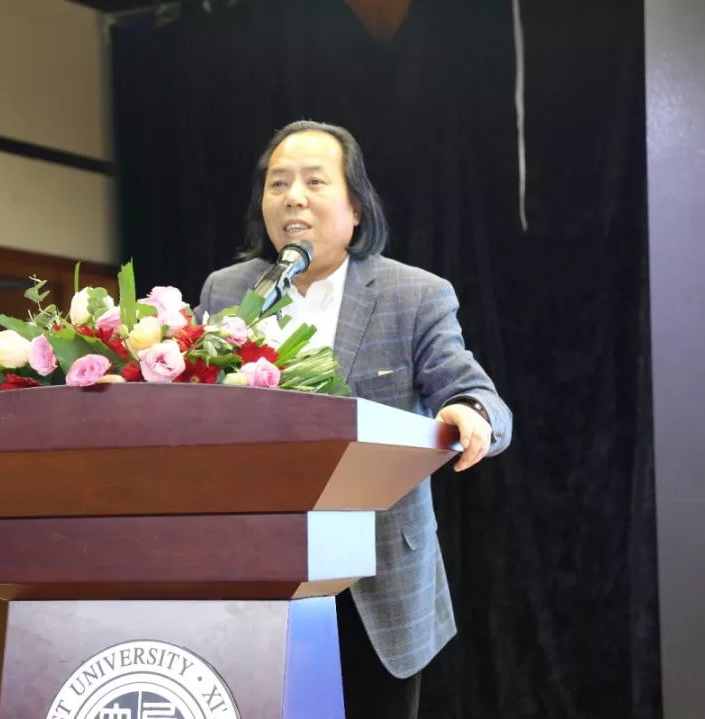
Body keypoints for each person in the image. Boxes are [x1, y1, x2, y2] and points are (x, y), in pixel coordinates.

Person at [196, 120, 512, 718]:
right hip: (256, 569)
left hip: (376, 575)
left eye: (315, 182)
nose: (293, 198)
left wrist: (468, 415)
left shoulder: (413, 295)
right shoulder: (228, 292)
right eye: (277, 184)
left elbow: (477, 394)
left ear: (357, 208)